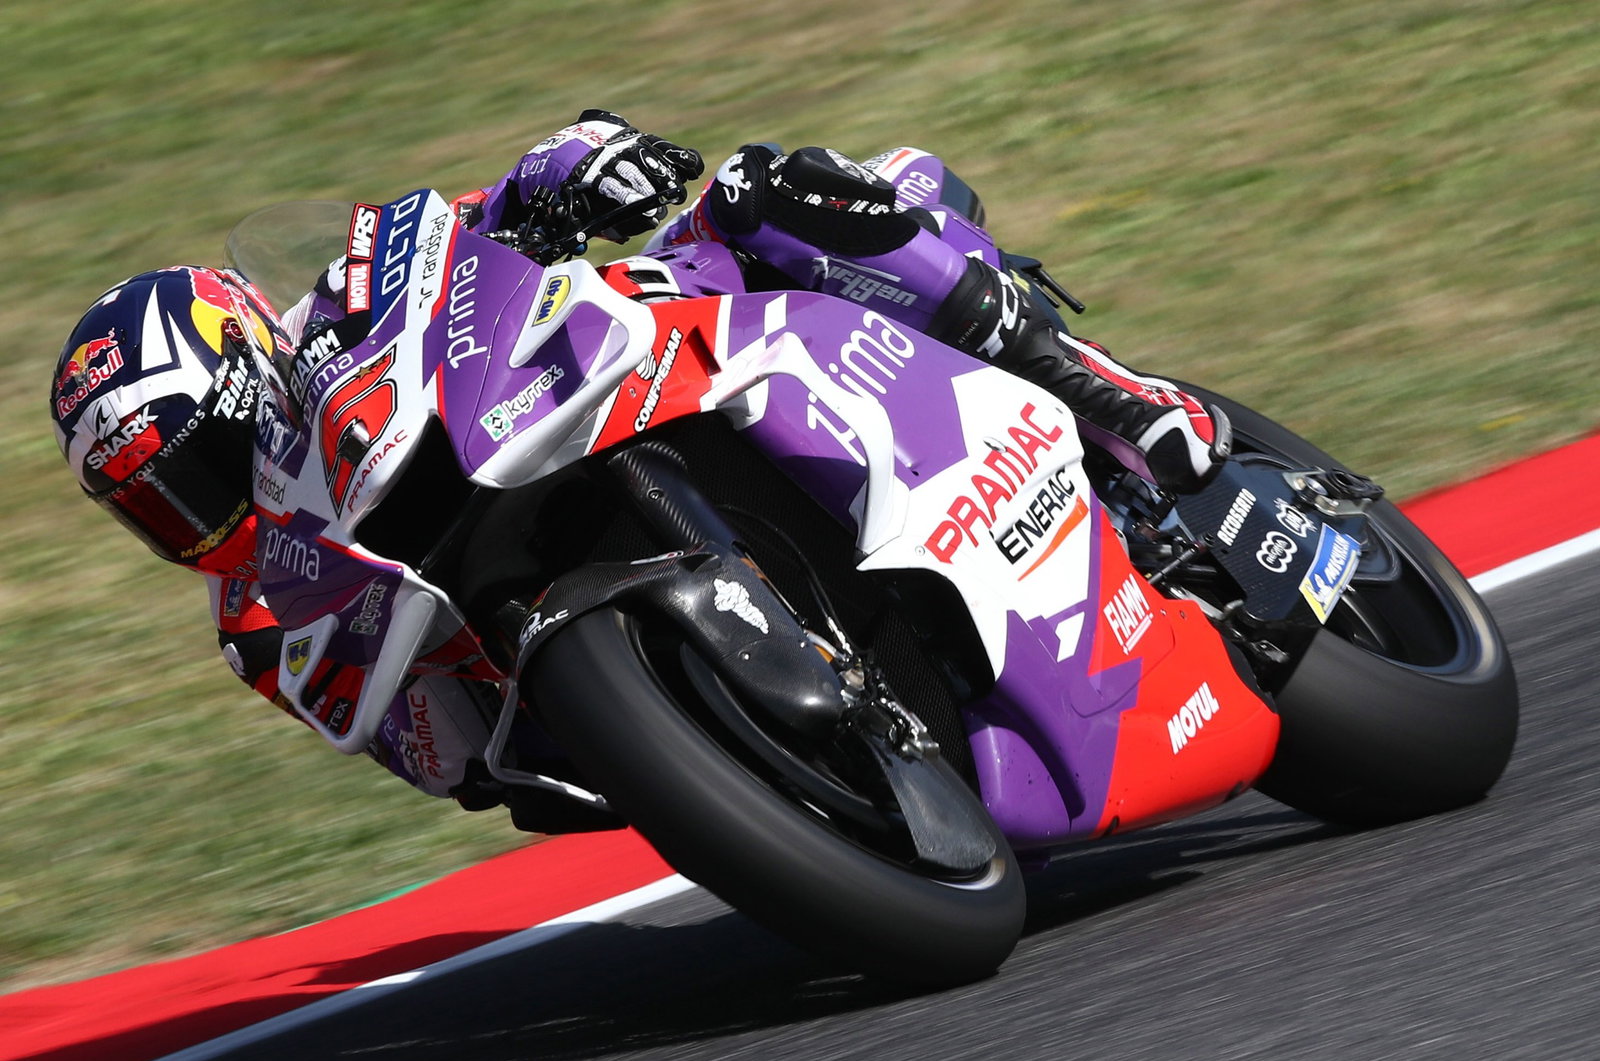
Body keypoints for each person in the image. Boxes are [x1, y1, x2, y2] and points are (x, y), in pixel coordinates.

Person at [49, 111, 1227, 818]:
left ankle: (1100, 389)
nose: (192, 515)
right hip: (583, 658)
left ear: (250, 371)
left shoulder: (338, 314)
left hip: (641, 351)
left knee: (758, 189)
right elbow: (450, 767)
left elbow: (462, 232)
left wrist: (575, 164)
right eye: (153, 508)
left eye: (194, 466)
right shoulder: (268, 613)